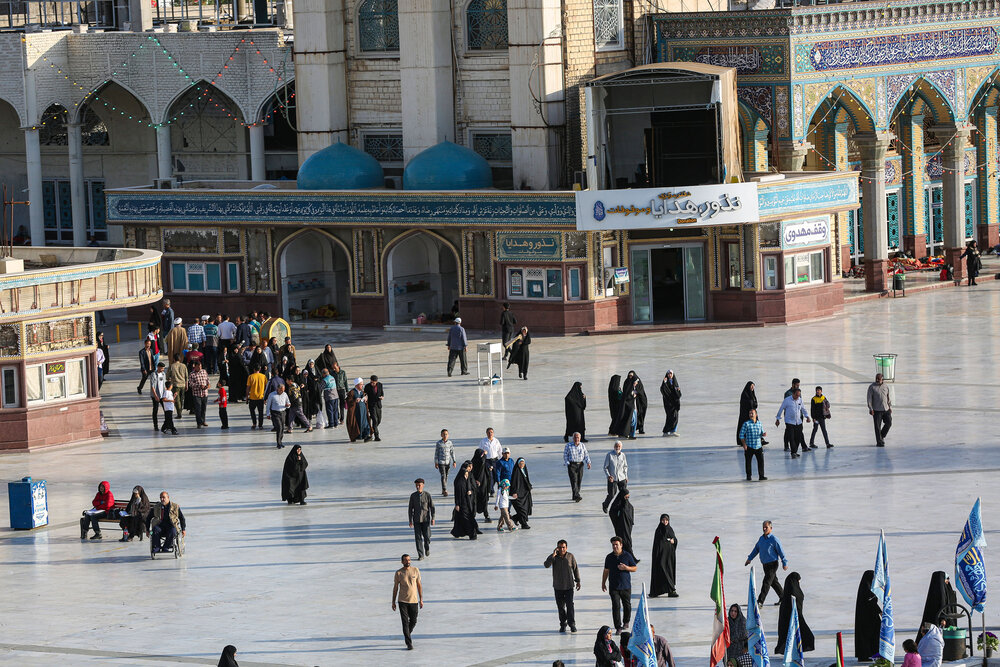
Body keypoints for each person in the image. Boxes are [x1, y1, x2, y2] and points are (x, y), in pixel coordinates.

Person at [745, 520, 788, 605]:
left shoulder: (774, 539)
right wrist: (749, 559)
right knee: (773, 582)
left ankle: (760, 601)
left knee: (766, 582)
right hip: (765, 565)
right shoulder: (761, 539)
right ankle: (784, 597)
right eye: (763, 527)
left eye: (766, 527)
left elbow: (781, 551)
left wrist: (784, 562)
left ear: (771, 528)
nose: (764, 529)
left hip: (773, 564)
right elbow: (756, 549)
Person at [602, 536, 637, 633]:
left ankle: (626, 621)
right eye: (613, 545)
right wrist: (603, 583)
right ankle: (618, 626)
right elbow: (606, 571)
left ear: (621, 545)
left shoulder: (627, 555)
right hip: (614, 586)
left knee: (627, 605)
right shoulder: (609, 557)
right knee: (616, 606)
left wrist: (626, 568)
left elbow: (634, 568)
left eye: (616, 544)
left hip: (625, 586)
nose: (614, 547)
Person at [544, 539, 580, 633]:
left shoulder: (570, 556)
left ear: (566, 548)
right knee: (560, 607)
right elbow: (546, 565)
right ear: (557, 548)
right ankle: (563, 624)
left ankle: (572, 624)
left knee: (570, 606)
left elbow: (575, 569)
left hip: (569, 586)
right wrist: (553, 556)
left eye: (563, 547)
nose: (561, 549)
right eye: (559, 547)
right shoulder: (554, 557)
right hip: (558, 587)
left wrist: (578, 581)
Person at [775, 572, 815, 653]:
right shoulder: (793, 593)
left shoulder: (788, 593)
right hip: (795, 617)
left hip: (795, 617)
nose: (799, 582)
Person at [391, 554, 423, 650]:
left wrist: (421, 599)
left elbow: (419, 585)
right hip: (402, 601)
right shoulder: (398, 573)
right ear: (402, 562)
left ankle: (407, 633)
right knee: (405, 622)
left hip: (414, 600)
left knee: (413, 621)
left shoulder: (415, 570)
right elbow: (395, 588)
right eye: (405, 560)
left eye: (409, 560)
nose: (408, 561)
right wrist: (393, 601)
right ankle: (409, 643)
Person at [775, 387, 810, 457]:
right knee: (791, 437)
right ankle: (793, 453)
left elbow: (803, 409)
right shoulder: (787, 400)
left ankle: (794, 451)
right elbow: (781, 409)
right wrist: (778, 419)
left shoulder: (800, 400)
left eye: (799, 395)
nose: (798, 397)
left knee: (798, 438)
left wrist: (807, 417)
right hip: (789, 422)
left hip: (798, 422)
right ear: (793, 394)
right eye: (796, 395)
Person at [650, 513, 678, 598]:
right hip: (661, 557)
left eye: (666, 520)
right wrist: (668, 541)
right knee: (662, 572)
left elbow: (674, 540)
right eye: (663, 520)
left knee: (669, 572)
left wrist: (674, 541)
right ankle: (659, 591)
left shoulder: (670, 529)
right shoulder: (658, 530)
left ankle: (671, 591)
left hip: (669, 557)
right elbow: (659, 543)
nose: (665, 522)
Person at [855, 570, 881, 661]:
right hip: (866, 619)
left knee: (873, 635)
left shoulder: (868, 587)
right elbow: (870, 602)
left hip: (869, 617)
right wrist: (880, 612)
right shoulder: (866, 588)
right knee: (866, 637)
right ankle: (864, 656)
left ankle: (872, 653)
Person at [450, 461, 479, 540]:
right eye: (466, 474)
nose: (467, 475)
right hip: (462, 503)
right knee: (466, 518)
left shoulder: (467, 480)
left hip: (468, 502)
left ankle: (457, 532)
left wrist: (470, 491)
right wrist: (457, 504)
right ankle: (472, 534)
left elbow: (471, 487)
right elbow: (457, 494)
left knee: (460, 518)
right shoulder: (459, 482)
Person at [408, 478, 435, 559]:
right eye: (416, 485)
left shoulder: (427, 495)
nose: (418, 487)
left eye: (419, 485)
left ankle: (427, 546)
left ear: (423, 485)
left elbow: (432, 507)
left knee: (427, 536)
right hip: (416, 520)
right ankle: (421, 555)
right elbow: (410, 509)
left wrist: (433, 518)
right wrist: (410, 520)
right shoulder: (413, 496)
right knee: (418, 538)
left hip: (426, 520)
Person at [739, 409, 768, 481]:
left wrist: (763, 434)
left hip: (758, 446)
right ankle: (749, 476)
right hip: (749, 446)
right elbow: (741, 435)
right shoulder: (746, 424)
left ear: (756, 415)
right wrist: (744, 445)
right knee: (748, 462)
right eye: (750, 413)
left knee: (761, 462)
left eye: (752, 413)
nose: (751, 415)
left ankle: (761, 476)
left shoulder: (759, 423)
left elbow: (761, 433)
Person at [562, 432, 591, 502]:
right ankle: (577, 496)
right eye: (575, 437)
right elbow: (565, 455)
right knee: (574, 480)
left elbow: (586, 454)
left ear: (580, 438)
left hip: (580, 465)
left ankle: (575, 495)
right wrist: (567, 463)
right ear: (573, 438)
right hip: (572, 465)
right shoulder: (568, 445)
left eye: (578, 437)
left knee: (579, 481)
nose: (576, 439)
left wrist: (588, 462)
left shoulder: (582, 445)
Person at [602, 440, 628, 514]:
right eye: (616, 446)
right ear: (614, 447)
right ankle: (605, 505)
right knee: (612, 494)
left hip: (622, 477)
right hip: (612, 478)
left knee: (624, 493)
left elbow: (625, 466)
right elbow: (605, 467)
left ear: (621, 447)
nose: (617, 448)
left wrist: (626, 476)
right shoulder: (609, 455)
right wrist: (608, 476)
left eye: (619, 446)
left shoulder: (623, 455)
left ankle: (623, 507)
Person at [609, 490, 636, 560]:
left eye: (628, 496)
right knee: (624, 542)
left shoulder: (628, 504)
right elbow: (612, 512)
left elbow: (631, 513)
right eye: (626, 496)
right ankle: (632, 558)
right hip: (621, 527)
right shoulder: (617, 505)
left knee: (627, 542)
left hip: (627, 527)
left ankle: (625, 557)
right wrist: (619, 519)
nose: (627, 498)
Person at [867, 373, 892, 447]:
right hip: (877, 410)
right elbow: (869, 399)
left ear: (882, 380)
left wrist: (889, 407)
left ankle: (881, 436)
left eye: (879, 379)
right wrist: (870, 408)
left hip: (886, 409)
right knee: (877, 427)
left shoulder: (886, 386)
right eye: (876, 378)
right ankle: (879, 442)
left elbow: (888, 397)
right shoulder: (872, 387)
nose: (877, 380)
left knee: (889, 423)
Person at [509, 457, 533, 529]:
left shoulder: (524, 470)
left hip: (525, 494)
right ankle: (524, 524)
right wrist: (514, 492)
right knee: (521, 510)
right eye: (521, 463)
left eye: (523, 463)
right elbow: (514, 483)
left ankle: (515, 518)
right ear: (518, 464)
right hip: (517, 494)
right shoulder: (516, 471)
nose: (522, 465)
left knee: (526, 509)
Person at [612, 374, 639, 439]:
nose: (636, 383)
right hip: (629, 408)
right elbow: (627, 397)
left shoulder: (633, 387)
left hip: (633, 407)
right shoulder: (629, 387)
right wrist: (633, 396)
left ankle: (631, 435)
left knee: (634, 422)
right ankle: (626, 433)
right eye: (635, 382)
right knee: (631, 421)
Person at [265, 383, 291, 448]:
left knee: (282, 428)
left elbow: (288, 402)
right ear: (278, 389)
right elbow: (268, 405)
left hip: (283, 412)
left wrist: (288, 405)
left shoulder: (285, 394)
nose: (282, 391)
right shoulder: (272, 395)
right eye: (281, 390)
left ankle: (280, 441)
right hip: (275, 413)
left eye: (283, 390)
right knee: (279, 427)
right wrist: (268, 414)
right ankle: (278, 443)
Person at [471, 449, 493, 523]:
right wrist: (485, 454)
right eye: (481, 454)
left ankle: (486, 515)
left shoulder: (481, 462)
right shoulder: (475, 462)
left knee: (484, 500)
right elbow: (482, 462)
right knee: (474, 501)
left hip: (484, 485)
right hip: (476, 485)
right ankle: (472, 516)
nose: (482, 456)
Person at [347, 377, 372, 442]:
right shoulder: (352, 392)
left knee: (365, 423)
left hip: (363, 411)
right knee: (357, 424)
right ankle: (358, 436)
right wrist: (355, 400)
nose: (362, 385)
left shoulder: (362, 392)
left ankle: (366, 435)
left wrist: (366, 399)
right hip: (356, 412)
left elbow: (365, 398)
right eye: (361, 384)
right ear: (357, 385)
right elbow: (348, 401)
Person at [738, 381, 761, 446]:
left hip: (753, 413)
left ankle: (759, 439)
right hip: (745, 414)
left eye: (753, 386)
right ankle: (743, 441)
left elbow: (755, 403)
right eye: (751, 386)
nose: (752, 388)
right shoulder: (744, 394)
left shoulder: (752, 394)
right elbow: (746, 403)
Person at [434, 429, 456, 496]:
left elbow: (452, 452)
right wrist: (436, 462)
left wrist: (454, 461)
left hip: (448, 462)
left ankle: (443, 489)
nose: (445, 435)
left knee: (446, 476)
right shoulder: (439, 443)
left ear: (448, 435)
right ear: (441, 435)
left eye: (446, 434)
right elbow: (436, 453)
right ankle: (445, 490)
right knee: (443, 475)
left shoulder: (450, 443)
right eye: (443, 434)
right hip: (441, 462)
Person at [188, 360, 210, 428]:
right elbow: (191, 384)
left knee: (204, 408)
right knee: (198, 409)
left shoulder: (204, 371)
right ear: (195, 367)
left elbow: (208, 380)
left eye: (201, 366)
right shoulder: (192, 374)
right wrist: (199, 385)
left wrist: (207, 385)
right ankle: (199, 423)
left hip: (204, 393)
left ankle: (203, 421)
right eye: (198, 366)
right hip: (197, 394)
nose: (200, 368)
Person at [167, 354, 188, 421]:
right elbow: (186, 376)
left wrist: (169, 379)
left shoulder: (172, 366)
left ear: (174, 359)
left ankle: (179, 413)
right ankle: (180, 411)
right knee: (182, 399)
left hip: (176, 385)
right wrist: (186, 385)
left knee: (177, 400)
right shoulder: (184, 366)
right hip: (183, 385)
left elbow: (167, 376)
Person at [661, 370, 681, 436]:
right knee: (670, 417)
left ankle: (673, 431)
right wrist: (664, 382)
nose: (670, 375)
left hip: (674, 403)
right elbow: (662, 390)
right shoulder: (665, 382)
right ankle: (666, 432)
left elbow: (679, 393)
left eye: (671, 373)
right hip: (668, 403)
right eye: (668, 374)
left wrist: (678, 391)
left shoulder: (675, 382)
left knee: (676, 417)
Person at [365, 375, 384, 441]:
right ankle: (376, 436)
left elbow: (382, 393)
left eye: (373, 383)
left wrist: (382, 397)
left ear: (376, 381)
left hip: (378, 405)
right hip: (371, 405)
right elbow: (365, 394)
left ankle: (371, 431)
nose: (372, 384)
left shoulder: (380, 385)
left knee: (379, 420)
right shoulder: (367, 386)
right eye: (371, 382)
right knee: (375, 420)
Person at [247, 365, 267, 430]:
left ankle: (254, 423)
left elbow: (248, 388)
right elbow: (266, 387)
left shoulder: (250, 377)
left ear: (254, 369)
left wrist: (247, 397)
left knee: (252, 411)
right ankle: (260, 425)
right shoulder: (263, 376)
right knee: (261, 412)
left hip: (252, 397)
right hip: (261, 397)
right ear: (260, 369)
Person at [149, 361, 167, 431]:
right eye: (162, 368)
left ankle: (166, 424)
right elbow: (152, 386)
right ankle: (155, 425)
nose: (163, 370)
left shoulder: (163, 374)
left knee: (166, 410)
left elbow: (164, 384)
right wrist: (155, 396)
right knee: (155, 410)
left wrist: (166, 394)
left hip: (162, 395)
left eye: (163, 368)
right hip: (155, 395)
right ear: (158, 367)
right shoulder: (153, 374)